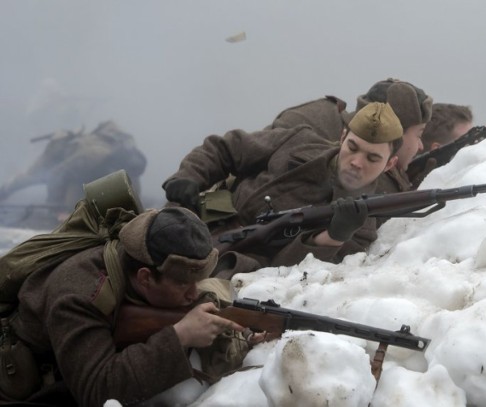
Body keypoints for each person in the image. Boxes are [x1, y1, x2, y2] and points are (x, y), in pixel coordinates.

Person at [6, 207, 249, 406]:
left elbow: (188, 297)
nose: (193, 293)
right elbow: (97, 391)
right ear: (145, 278)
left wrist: (243, 329)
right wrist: (179, 337)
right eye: (184, 284)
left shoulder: (144, 257)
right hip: (29, 385)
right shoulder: (78, 295)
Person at [163, 102, 404, 278]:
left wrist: (332, 238)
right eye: (352, 147)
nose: (357, 162)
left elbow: (291, 275)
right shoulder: (298, 141)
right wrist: (189, 176)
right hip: (205, 218)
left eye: (373, 158)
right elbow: (227, 148)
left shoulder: (360, 225)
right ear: (342, 138)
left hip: (239, 267)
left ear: (390, 164)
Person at [267, 78, 433, 195]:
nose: (420, 146)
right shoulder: (378, 184)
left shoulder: (317, 114)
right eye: (419, 134)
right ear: (394, 131)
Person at [0, 120, 147, 214]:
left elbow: (132, 196)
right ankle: (5, 190)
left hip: (86, 173)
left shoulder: (131, 162)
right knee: (37, 177)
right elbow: (58, 174)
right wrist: (56, 208)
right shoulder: (91, 156)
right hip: (72, 166)